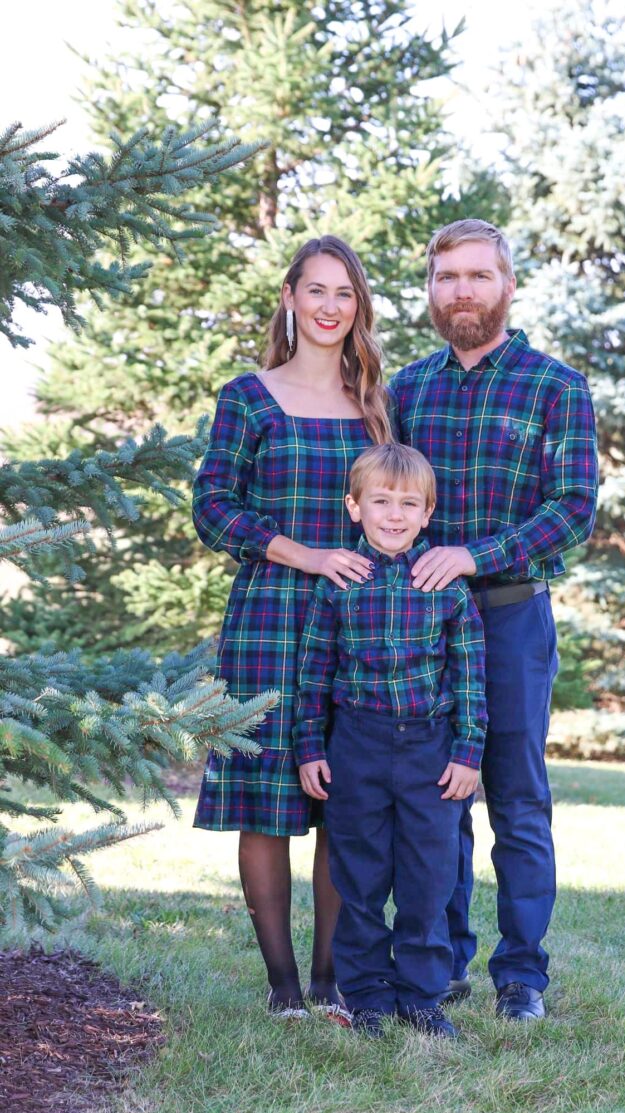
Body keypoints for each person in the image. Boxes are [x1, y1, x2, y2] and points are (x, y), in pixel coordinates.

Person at [390, 219, 598, 1020]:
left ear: (507, 284)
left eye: (478, 276)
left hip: (511, 620)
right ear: (433, 291)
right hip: (424, 627)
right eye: (448, 279)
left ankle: (523, 978)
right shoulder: (406, 390)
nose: (463, 291)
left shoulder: (555, 385)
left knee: (516, 799)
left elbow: (574, 510)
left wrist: (478, 554)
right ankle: (443, 964)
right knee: (439, 803)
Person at [192, 236, 393, 1019]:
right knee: (268, 801)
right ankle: (282, 989)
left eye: (344, 293)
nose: (329, 307)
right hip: (272, 615)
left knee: (345, 802)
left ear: (358, 307)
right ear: (289, 297)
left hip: (359, 626)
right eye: (315, 290)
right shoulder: (247, 396)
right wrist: (302, 553)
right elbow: (212, 506)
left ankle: (329, 981)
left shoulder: (377, 403)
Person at [293, 442, 487, 1038]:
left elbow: (470, 674)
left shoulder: (446, 586)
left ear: (428, 513)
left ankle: (423, 996)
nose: (395, 515)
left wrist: (468, 752)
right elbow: (314, 670)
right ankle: (370, 996)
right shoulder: (339, 583)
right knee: (361, 877)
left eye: (409, 503)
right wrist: (311, 747)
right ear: (355, 507)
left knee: (430, 877)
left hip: (431, 750)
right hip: (358, 745)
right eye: (380, 501)